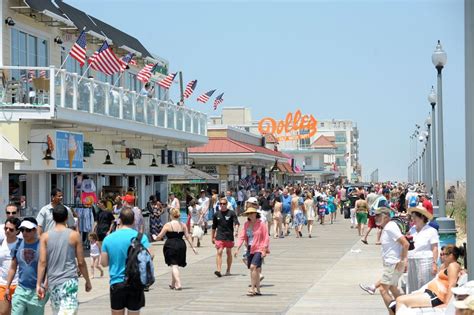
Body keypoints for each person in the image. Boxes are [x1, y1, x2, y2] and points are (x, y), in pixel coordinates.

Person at [37, 204, 92, 314]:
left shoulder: (45, 236)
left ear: (53, 218)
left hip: (53, 282)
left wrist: (39, 284)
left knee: (58, 312)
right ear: (67, 218)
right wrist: (87, 280)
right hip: (69, 281)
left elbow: (42, 262)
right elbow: (81, 262)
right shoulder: (74, 235)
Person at [101, 207, 151, 314]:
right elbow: (150, 255)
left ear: (120, 220)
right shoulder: (141, 237)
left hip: (117, 282)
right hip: (135, 282)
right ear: (133, 221)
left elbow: (104, 263)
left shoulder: (108, 238)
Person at [395, 244, 464, 312]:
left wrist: (447, 304)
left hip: (436, 296)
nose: (441, 257)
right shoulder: (446, 266)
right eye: (440, 254)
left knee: (400, 300)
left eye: (443, 254)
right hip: (431, 293)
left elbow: (452, 284)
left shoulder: (453, 266)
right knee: (394, 304)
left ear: (451, 255)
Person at [5, 218, 48, 314]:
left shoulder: (43, 246)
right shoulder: (18, 245)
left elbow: (49, 268)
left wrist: (44, 287)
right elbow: (13, 268)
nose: (24, 232)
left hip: (36, 292)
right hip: (21, 289)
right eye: (22, 229)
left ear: (35, 230)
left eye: (28, 230)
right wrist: (7, 287)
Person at [375, 206, 410, 314]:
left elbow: (405, 243)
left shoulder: (390, 227)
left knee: (382, 289)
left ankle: (395, 311)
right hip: (392, 263)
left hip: (393, 263)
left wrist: (403, 260)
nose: (375, 218)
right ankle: (407, 308)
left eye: (378, 216)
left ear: (386, 217)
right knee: (393, 289)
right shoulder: (388, 227)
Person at [154, 208, 197, 290]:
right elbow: (188, 236)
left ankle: (178, 284)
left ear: (170, 215)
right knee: (175, 265)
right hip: (181, 245)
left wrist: (155, 238)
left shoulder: (168, 225)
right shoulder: (183, 225)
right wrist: (193, 247)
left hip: (171, 245)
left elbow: (160, 236)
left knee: (174, 265)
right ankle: (173, 284)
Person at [234, 207, 270, 296]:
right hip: (250, 248)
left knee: (252, 267)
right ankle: (258, 290)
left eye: (252, 213)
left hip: (259, 248)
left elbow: (266, 237)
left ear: (255, 214)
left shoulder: (261, 224)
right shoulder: (246, 224)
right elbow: (242, 236)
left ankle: (252, 288)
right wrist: (237, 248)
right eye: (248, 214)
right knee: (256, 269)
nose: (250, 215)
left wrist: (264, 249)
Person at [406, 205, 439, 293]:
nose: (413, 219)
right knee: (412, 285)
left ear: (422, 217)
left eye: (415, 217)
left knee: (424, 285)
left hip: (425, 260)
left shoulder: (431, 231)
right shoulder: (412, 229)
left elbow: (435, 248)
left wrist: (435, 264)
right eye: (412, 217)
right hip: (412, 259)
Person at [211, 197, 239, 277]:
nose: (222, 205)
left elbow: (236, 222)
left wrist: (236, 230)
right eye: (221, 204)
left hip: (229, 236)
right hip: (219, 235)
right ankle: (218, 270)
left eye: (224, 204)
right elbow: (214, 227)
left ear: (227, 204)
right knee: (219, 251)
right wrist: (212, 237)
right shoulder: (216, 214)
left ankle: (228, 270)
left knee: (228, 252)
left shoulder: (231, 213)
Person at [0, 218, 20, 314]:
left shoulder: (21, 244)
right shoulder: (1, 243)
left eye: (11, 229)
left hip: (19, 285)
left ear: (17, 231)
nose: (7, 231)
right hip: (3, 284)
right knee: (3, 312)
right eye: (6, 228)